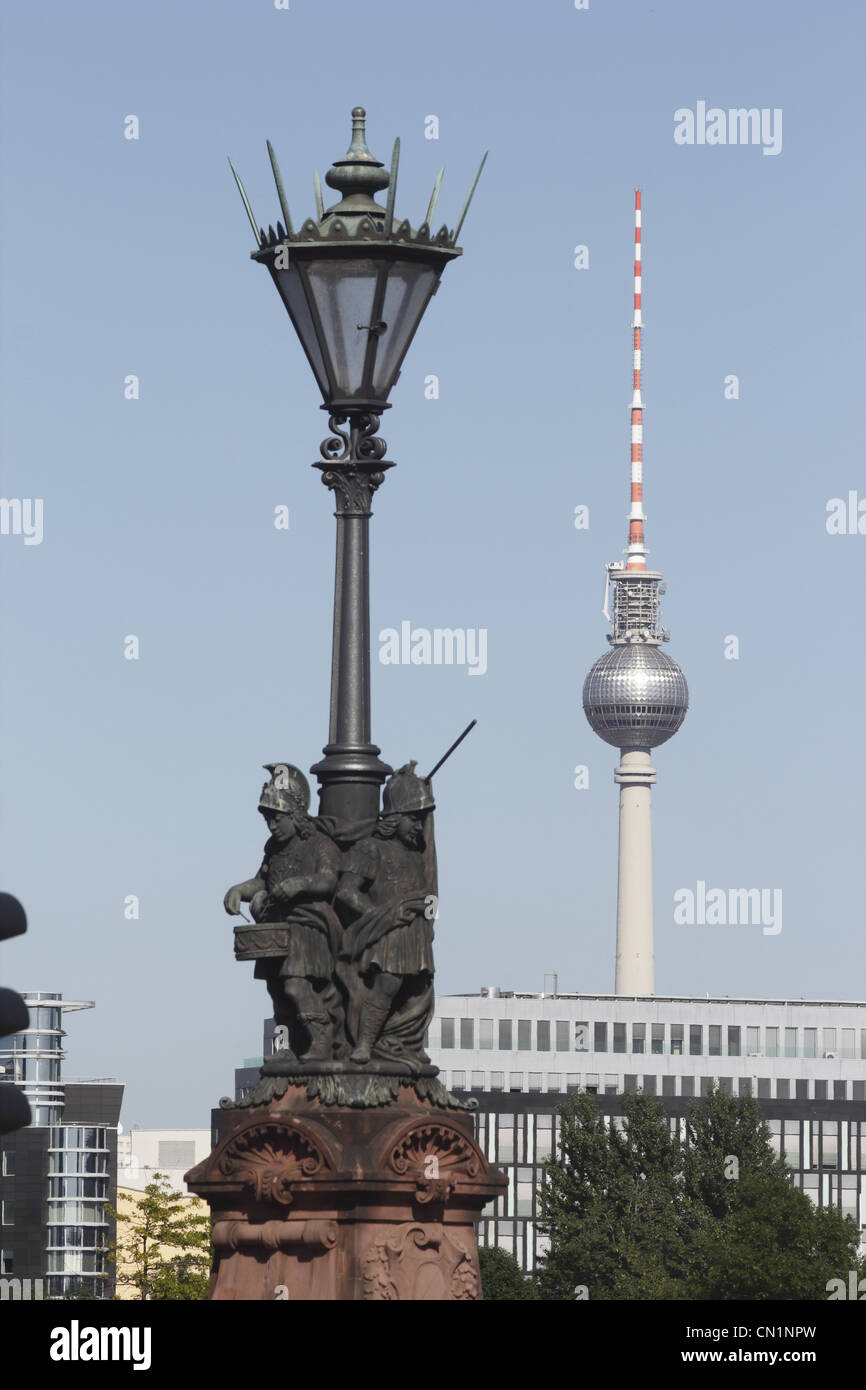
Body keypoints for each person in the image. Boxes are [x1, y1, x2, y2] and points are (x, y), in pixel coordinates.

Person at [224, 764, 342, 1062]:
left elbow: (329, 879)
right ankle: (289, 1046)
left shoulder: (318, 844)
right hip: (277, 929)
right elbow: (262, 880)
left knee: (295, 984)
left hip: (307, 927)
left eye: (277, 818)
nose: (272, 825)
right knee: (278, 991)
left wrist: (298, 884)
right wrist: (239, 889)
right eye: (267, 819)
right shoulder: (274, 848)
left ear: (295, 815)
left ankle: (321, 1041)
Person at [335, 763, 437, 1066]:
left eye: (421, 821)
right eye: (413, 820)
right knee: (387, 987)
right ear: (394, 819)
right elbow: (346, 890)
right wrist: (382, 915)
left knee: (415, 992)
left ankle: (401, 1044)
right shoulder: (371, 849)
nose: (419, 827)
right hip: (389, 933)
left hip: (414, 932)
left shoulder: (415, 856)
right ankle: (365, 1045)